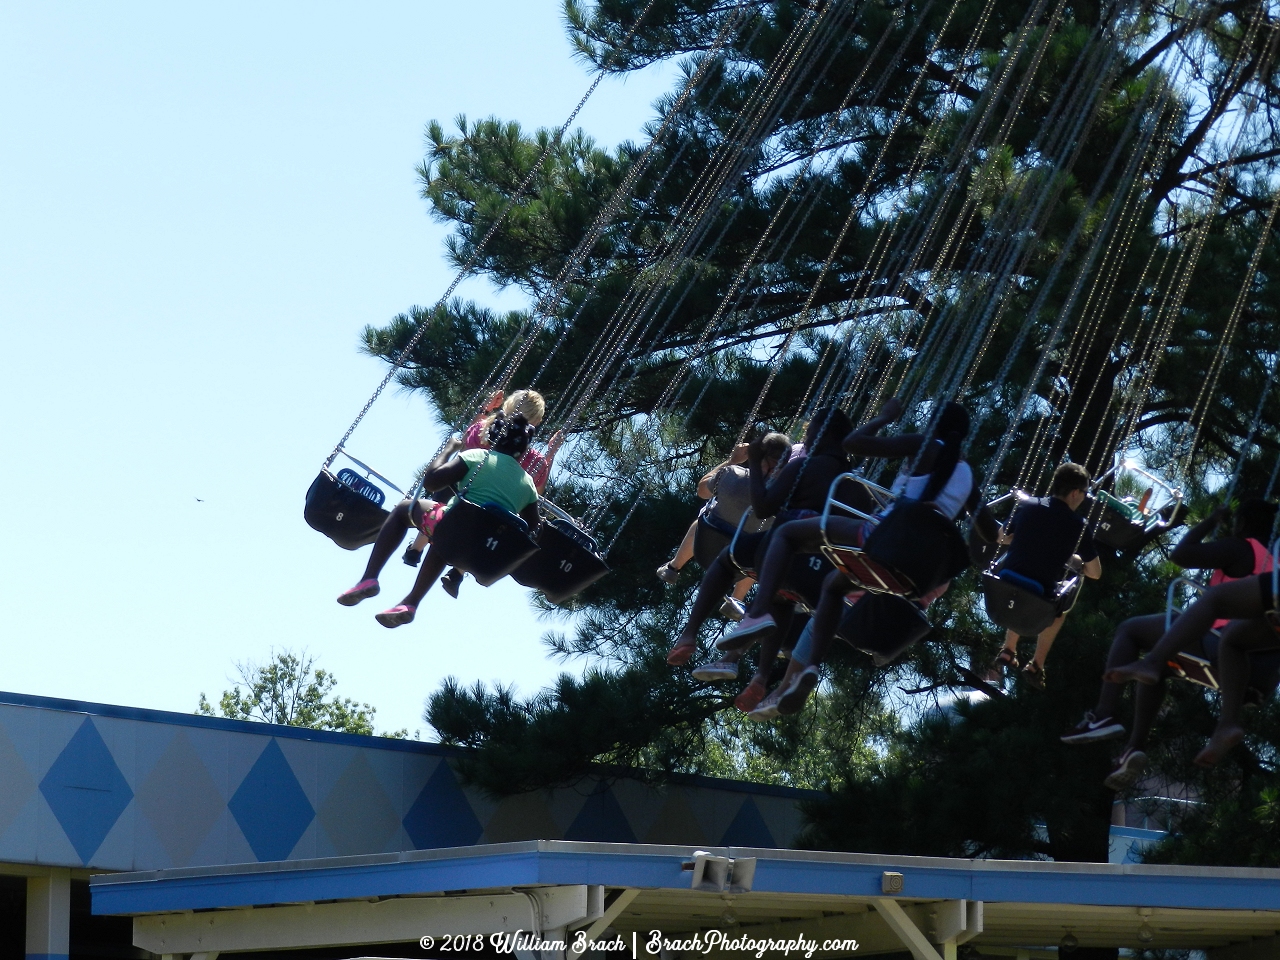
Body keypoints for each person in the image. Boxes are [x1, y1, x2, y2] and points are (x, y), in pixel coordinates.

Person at [725, 398, 996, 717]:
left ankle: (760, 615)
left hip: (886, 541)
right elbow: (989, 534)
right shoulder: (968, 477)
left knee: (789, 533)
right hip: (919, 574)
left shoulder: (922, 445)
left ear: (932, 425)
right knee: (832, 586)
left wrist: (883, 417)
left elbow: (852, 443)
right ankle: (802, 672)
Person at [1063, 498, 1277, 788]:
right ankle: (1132, 749)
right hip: (1255, 670)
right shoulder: (1272, 566)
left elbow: (1181, 554)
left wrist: (1210, 521)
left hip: (1218, 644)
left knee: (1131, 630)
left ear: (1240, 524)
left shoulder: (1240, 547)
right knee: (1161, 664)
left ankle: (1103, 714)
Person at [666, 408, 858, 709]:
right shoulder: (852, 484)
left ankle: (689, 634)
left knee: (728, 560)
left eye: (808, 436)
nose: (805, 442)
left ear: (820, 436)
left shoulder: (805, 465)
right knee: (783, 598)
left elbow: (765, 506)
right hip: (816, 574)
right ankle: (761, 677)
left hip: (779, 550)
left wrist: (755, 463)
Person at [337, 412, 541, 627]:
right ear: (522, 451)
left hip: (452, 527)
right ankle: (411, 603)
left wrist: (448, 450)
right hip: (481, 551)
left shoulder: (478, 458)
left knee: (404, 510)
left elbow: (432, 482)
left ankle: (369, 577)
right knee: (449, 537)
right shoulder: (527, 484)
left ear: (494, 437)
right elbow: (535, 530)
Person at [404, 389, 563, 598]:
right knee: (493, 513)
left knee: (450, 490)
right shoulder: (534, 460)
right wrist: (550, 454)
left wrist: (485, 410)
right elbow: (537, 489)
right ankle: (457, 573)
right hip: (481, 533)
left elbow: (463, 448)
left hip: (454, 512)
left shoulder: (483, 431)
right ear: (537, 422)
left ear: (507, 406)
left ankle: (416, 548)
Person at [989, 463, 1102, 690]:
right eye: (1084, 493)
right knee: (1062, 603)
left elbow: (1001, 537)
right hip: (1037, 605)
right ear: (1074, 493)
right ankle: (1037, 665)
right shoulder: (1078, 525)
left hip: (998, 595)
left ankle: (1008, 650)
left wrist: (1026, 536)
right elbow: (1095, 573)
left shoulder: (1028, 505)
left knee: (1021, 581)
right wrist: (1075, 560)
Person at [657, 433, 792, 620]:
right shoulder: (781, 499)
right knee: (759, 546)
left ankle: (673, 567)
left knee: (702, 520)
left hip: (706, 547)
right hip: (737, 566)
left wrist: (733, 460)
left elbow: (702, 490)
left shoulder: (732, 474)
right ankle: (737, 600)